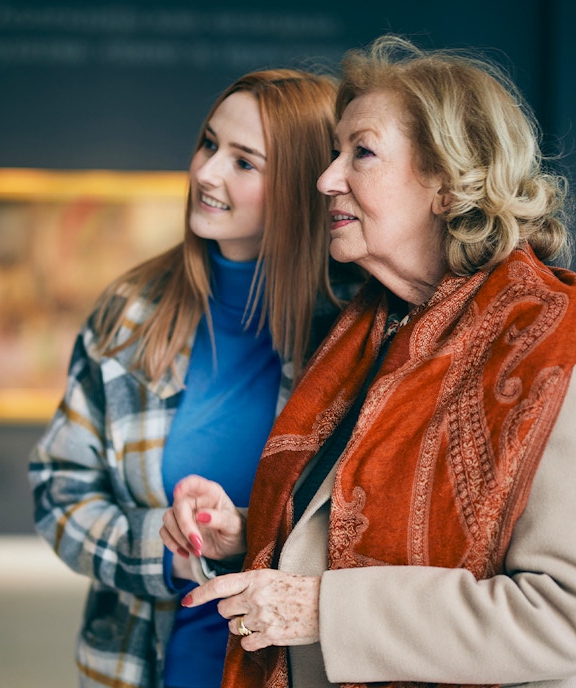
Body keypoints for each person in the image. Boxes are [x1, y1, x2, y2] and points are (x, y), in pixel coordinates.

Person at [161, 35, 576, 688]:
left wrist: (324, 610)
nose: (326, 178)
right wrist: (245, 536)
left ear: (448, 183)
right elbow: (356, 532)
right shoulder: (371, 328)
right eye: (335, 152)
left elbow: (566, 617)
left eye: (360, 153)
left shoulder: (561, 342)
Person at [29, 68, 356, 688]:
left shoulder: (354, 332)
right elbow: (59, 490)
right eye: (208, 144)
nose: (206, 172)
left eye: (243, 162)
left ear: (299, 185)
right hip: (142, 667)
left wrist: (248, 537)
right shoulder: (131, 311)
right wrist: (166, 548)